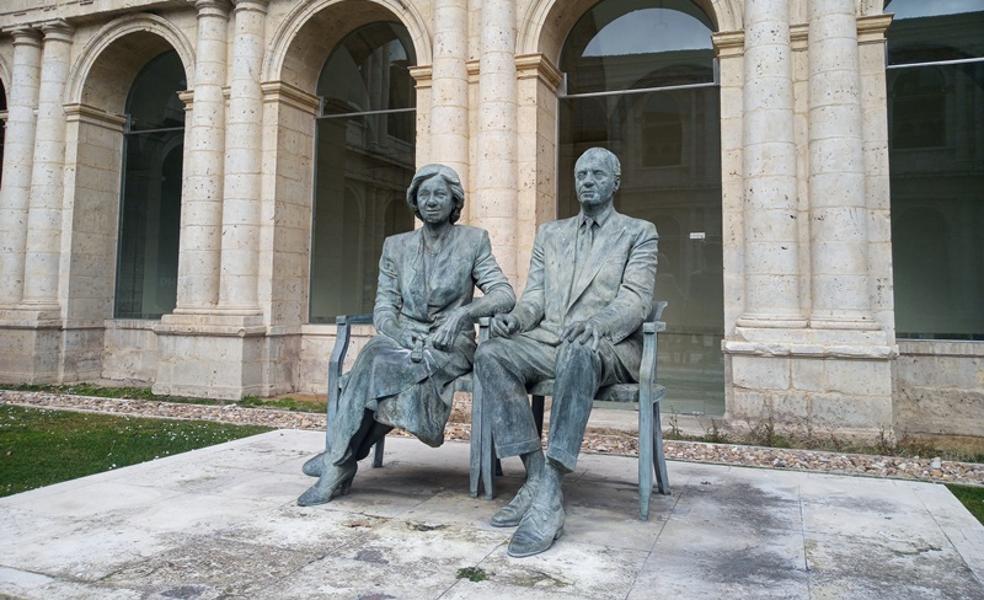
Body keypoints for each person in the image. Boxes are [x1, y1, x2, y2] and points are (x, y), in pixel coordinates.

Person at [474, 147, 658, 556]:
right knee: (490, 353)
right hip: (548, 341)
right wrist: (516, 321)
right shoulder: (550, 234)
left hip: (607, 347)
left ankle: (549, 495)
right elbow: (535, 296)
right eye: (580, 174)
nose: (587, 180)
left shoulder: (638, 232)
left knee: (578, 350)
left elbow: (635, 300)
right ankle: (537, 476)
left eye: (596, 174)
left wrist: (598, 324)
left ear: (616, 181)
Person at [298, 164, 515, 506]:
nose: (431, 201)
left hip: (450, 344)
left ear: (454, 201)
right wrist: (400, 333)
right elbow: (384, 307)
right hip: (404, 337)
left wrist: (463, 314)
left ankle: (338, 460)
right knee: (375, 354)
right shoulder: (395, 246)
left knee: (373, 365)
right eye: (424, 194)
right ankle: (341, 461)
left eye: (440, 194)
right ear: (414, 200)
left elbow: (504, 294)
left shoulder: (474, 241)